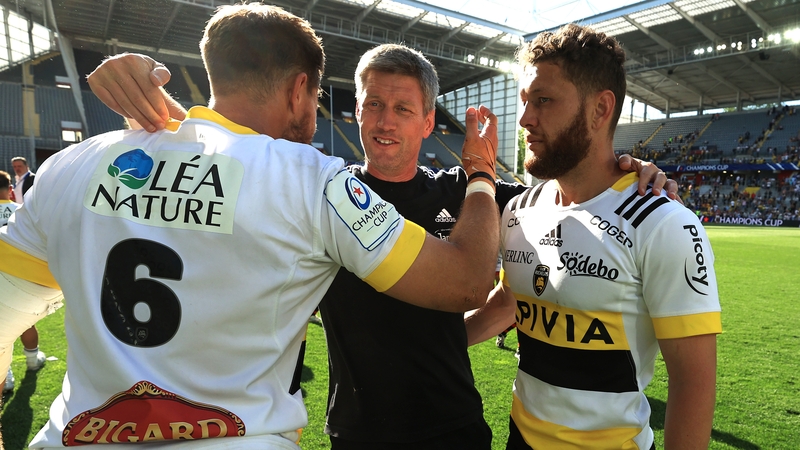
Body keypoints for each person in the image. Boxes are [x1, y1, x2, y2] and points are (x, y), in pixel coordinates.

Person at [86, 41, 676, 449]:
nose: (384, 121)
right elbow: (220, 152)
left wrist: (632, 168)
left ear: (426, 123)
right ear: (358, 112)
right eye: (372, 104)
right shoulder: (318, 194)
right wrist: (147, 95)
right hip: (358, 430)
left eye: (402, 108)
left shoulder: (473, 194)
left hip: (452, 427)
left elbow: (575, 189)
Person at [0, 4, 503, 449]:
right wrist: (482, 173)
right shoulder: (313, 182)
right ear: (299, 88)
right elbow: (465, 281)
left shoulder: (73, 164)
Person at [465, 24, 721, 450]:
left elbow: (693, 381)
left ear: (601, 110)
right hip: (519, 440)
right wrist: (432, 342)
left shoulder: (663, 224)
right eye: (526, 101)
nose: (526, 118)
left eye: (543, 101)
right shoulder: (518, 211)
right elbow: (512, 304)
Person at [0, 170, 46, 395]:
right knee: (25, 323)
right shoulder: (21, 212)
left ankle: (6, 376)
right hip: (21, 276)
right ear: (10, 190)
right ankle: (32, 360)